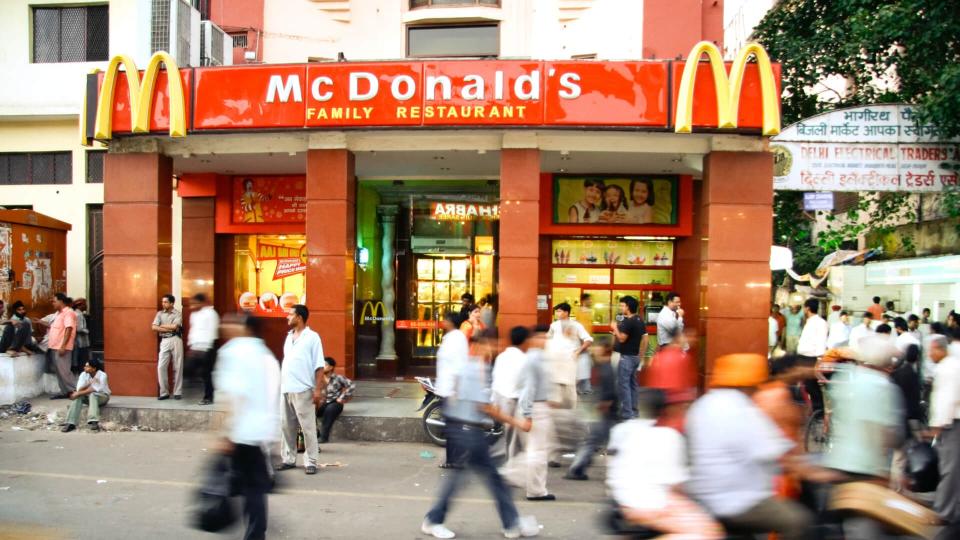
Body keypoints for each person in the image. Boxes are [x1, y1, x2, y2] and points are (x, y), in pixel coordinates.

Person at [421, 328, 539, 539]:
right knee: (478, 478)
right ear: (477, 345)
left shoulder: (470, 367)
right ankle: (435, 519)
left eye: (494, 346)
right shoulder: (474, 369)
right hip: (467, 431)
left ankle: (510, 523)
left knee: (480, 478)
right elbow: (485, 407)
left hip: (465, 429)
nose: (492, 350)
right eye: (489, 345)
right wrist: (516, 422)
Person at [685, 353, 814, 539]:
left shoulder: (703, 404)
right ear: (749, 384)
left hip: (705, 495)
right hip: (738, 502)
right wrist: (811, 471)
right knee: (798, 520)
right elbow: (772, 451)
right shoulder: (742, 410)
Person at [608, 389, 723, 539]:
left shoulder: (626, 430)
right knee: (707, 531)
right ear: (667, 410)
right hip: (648, 503)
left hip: (620, 499)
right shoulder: (668, 436)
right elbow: (676, 484)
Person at [213, 313, 280, 540]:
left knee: (245, 485)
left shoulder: (233, 352)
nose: (224, 327)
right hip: (260, 432)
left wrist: (223, 433)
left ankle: (252, 532)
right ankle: (255, 530)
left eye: (229, 323)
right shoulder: (267, 356)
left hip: (241, 433)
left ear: (243, 328)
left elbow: (231, 396)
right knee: (254, 487)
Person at [822, 335, 904, 482]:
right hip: (867, 468)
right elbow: (887, 433)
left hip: (837, 461)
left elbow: (832, 412)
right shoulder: (883, 386)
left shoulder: (845, 377)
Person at [502, 325, 557, 502]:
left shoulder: (537, 358)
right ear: (533, 339)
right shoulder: (534, 359)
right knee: (538, 452)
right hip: (535, 409)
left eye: (547, 337)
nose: (545, 341)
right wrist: (527, 414)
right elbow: (527, 388)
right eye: (542, 337)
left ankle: (513, 475)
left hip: (537, 407)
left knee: (537, 451)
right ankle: (534, 489)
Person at [276, 304, 326, 475]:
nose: (287, 317)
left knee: (308, 428)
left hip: (304, 389)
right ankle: (288, 459)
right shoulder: (288, 337)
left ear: (299, 317)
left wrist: (317, 390)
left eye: (290, 314)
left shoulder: (312, 337)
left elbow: (319, 366)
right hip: (286, 388)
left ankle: (311, 461)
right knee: (286, 426)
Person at [566, 342, 618, 481]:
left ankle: (579, 466)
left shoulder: (599, 367)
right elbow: (608, 393)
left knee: (593, 441)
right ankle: (577, 468)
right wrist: (604, 408)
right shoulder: (606, 368)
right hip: (604, 412)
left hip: (599, 410)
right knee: (595, 442)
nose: (595, 354)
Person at [928, 332, 960, 536]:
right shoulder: (951, 364)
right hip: (953, 421)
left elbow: (947, 399)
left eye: (931, 351)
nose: (930, 355)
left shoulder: (948, 367)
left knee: (949, 469)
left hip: (952, 423)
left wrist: (938, 425)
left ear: (940, 349)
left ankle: (945, 512)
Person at [435, 311, 469, 469]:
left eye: (445, 320)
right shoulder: (449, 337)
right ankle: (452, 459)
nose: (443, 322)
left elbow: (459, 365)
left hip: (453, 390)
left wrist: (456, 391)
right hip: (446, 389)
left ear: (451, 322)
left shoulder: (457, 338)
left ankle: (456, 459)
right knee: (451, 427)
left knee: (454, 428)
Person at [491, 326, 529, 462]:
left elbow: (495, 378)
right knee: (512, 436)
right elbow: (525, 384)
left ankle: (510, 462)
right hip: (513, 399)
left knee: (509, 434)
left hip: (501, 398)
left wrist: (494, 401)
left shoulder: (502, 356)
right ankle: (511, 466)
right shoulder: (524, 359)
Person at [610, 296, 648, 419]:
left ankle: (627, 413)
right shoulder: (639, 320)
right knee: (632, 385)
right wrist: (641, 356)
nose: (621, 308)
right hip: (635, 357)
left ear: (628, 307)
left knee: (624, 385)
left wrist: (615, 328)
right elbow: (644, 338)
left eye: (622, 305)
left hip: (626, 357)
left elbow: (621, 338)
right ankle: (634, 411)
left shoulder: (628, 321)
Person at [546, 302, 592, 403]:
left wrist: (578, 351)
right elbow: (547, 339)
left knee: (570, 385)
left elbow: (588, 340)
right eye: (556, 312)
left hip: (570, 360)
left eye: (559, 311)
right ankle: (558, 409)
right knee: (556, 385)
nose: (557, 313)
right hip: (556, 360)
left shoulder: (576, 325)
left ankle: (570, 409)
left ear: (566, 312)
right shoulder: (553, 325)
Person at [61, 358, 111, 433]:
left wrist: (77, 393)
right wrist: (89, 383)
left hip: (102, 397)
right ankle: (71, 423)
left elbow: (93, 389)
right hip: (88, 397)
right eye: (85, 366)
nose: (85, 368)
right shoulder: (83, 374)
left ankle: (94, 421)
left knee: (92, 395)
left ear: (94, 368)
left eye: (87, 366)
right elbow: (79, 389)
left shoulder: (102, 375)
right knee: (79, 397)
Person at [187, 293, 220, 406]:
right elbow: (193, 331)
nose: (192, 305)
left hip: (208, 348)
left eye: (195, 303)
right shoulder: (194, 315)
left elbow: (212, 332)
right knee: (190, 371)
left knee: (207, 374)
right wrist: (191, 346)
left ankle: (208, 397)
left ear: (201, 302)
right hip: (196, 348)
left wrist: (205, 349)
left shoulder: (211, 313)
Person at [797, 298, 828, 412]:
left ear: (807, 308)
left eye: (804, 307)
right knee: (807, 385)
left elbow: (821, 341)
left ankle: (819, 409)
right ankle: (815, 408)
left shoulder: (820, 322)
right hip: (805, 357)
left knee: (812, 385)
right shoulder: (809, 321)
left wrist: (819, 359)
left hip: (812, 358)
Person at [151, 294, 183, 400]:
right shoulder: (159, 314)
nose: (163, 303)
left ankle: (177, 392)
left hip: (176, 340)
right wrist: (168, 328)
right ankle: (164, 392)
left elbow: (175, 326)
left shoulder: (177, 314)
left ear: (172, 303)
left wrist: (161, 326)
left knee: (178, 366)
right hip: (164, 341)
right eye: (162, 301)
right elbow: (153, 327)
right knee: (161, 367)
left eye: (165, 302)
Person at [316, 357, 355, 443]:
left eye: (325, 365)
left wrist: (341, 398)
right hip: (321, 403)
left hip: (334, 403)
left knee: (330, 410)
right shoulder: (317, 378)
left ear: (331, 367)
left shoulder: (338, 378)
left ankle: (324, 437)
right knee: (308, 410)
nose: (322, 367)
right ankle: (315, 434)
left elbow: (351, 385)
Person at [47, 293, 78, 399]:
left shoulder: (68, 313)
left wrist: (63, 346)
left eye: (54, 301)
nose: (53, 303)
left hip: (62, 347)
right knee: (59, 371)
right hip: (54, 346)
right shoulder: (58, 314)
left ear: (61, 301)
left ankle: (74, 391)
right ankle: (65, 391)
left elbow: (68, 329)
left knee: (64, 371)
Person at [71, 299, 91, 375]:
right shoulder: (78, 315)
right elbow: (79, 329)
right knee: (82, 360)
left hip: (78, 341)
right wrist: (87, 331)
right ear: (79, 305)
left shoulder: (76, 313)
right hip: (81, 342)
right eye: (84, 304)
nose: (86, 306)